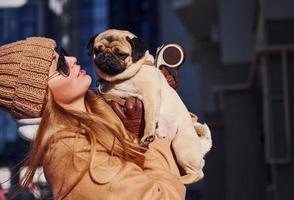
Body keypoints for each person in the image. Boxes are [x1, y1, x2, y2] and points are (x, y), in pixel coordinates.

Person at [0, 37, 201, 200]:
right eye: (60, 65)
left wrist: (161, 100)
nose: (71, 60)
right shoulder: (72, 155)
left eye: (63, 54)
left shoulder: (99, 114)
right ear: (40, 96)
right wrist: (158, 138)